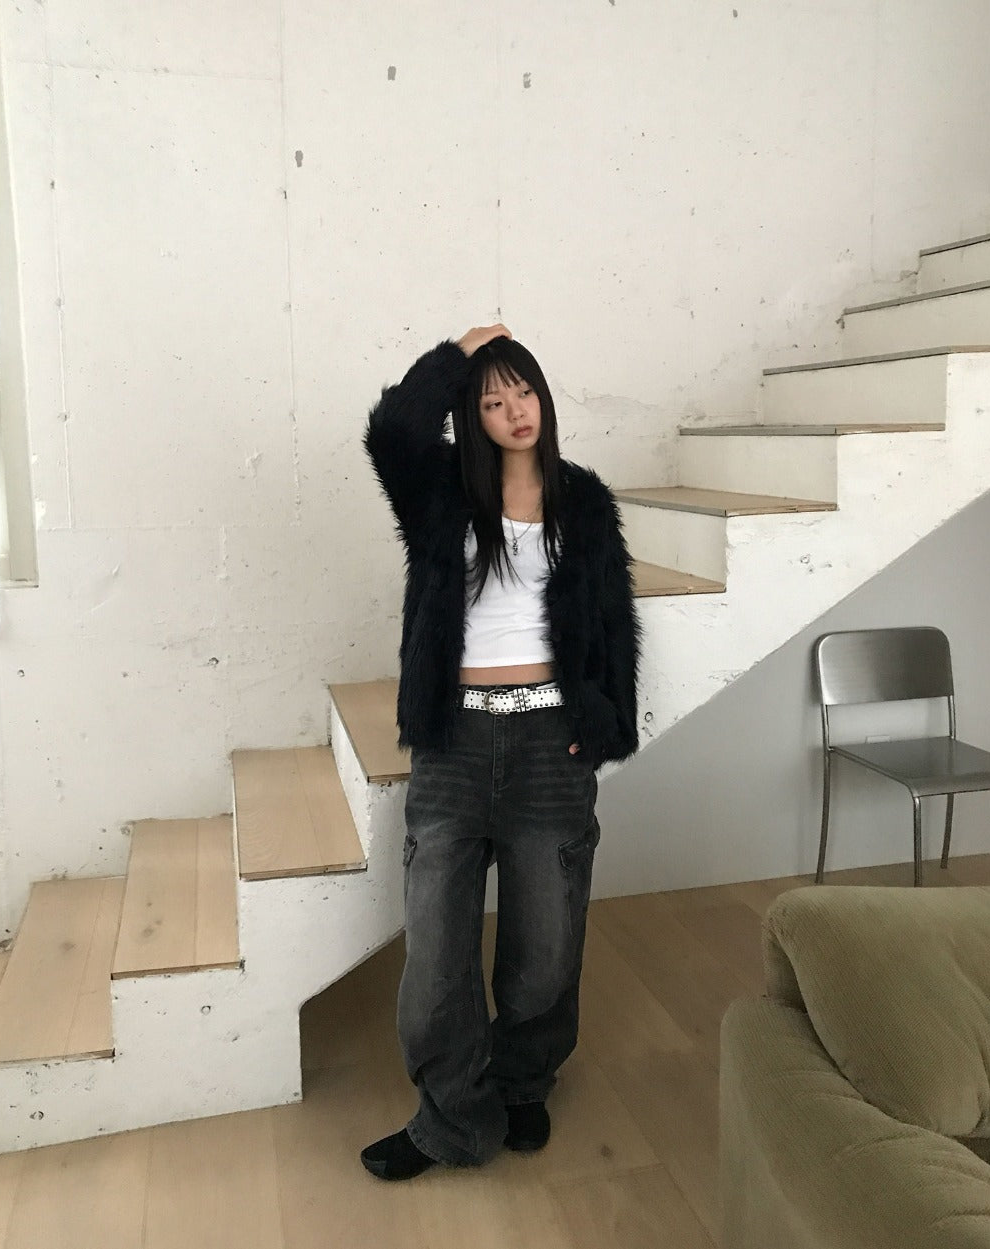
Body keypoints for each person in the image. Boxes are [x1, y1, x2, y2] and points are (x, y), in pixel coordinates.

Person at [360, 324, 641, 1180]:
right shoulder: (441, 493)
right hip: (454, 741)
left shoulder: (584, 501)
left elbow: (612, 626)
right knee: (436, 952)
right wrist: (461, 349)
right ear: (470, 415)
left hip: (549, 743)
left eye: (523, 391)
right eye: (491, 399)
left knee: (546, 947)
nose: (515, 410)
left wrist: (602, 725)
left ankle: (522, 1083)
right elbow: (390, 431)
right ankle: (451, 1115)